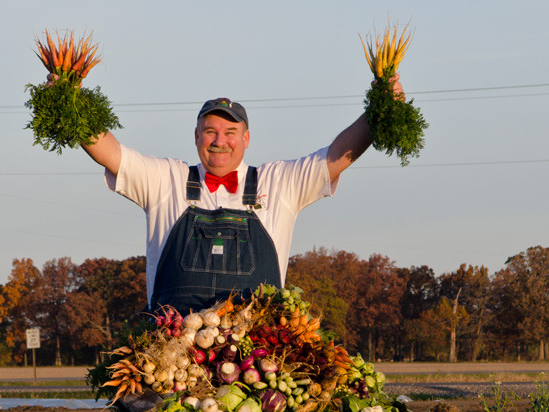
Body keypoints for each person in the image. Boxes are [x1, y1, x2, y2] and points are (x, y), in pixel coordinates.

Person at [81, 78, 405, 315]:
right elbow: (111, 154)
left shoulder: (278, 183)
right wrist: (70, 100)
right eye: (210, 131)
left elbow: (336, 156)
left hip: (256, 360)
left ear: (246, 138)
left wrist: (380, 109)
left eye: (230, 132)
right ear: (196, 136)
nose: (219, 141)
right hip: (173, 357)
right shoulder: (166, 180)